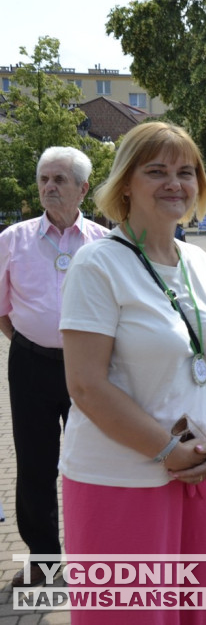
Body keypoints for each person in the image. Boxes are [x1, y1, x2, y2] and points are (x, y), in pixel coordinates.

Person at [59, 121, 206, 624]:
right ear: (125, 186)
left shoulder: (199, 262)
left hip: (198, 473)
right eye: (156, 171)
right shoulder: (97, 265)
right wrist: (168, 451)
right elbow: (85, 386)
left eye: (186, 172)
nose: (174, 183)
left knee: (196, 617)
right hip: (121, 480)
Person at [0, 147, 108, 587]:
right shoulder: (12, 239)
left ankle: (100, 556)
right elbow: (2, 310)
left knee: (97, 461)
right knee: (35, 465)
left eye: (60, 179)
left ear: (83, 188)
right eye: (44, 179)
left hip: (93, 371)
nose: (49, 187)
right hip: (30, 365)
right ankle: (44, 563)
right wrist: (33, 342)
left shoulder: (104, 242)